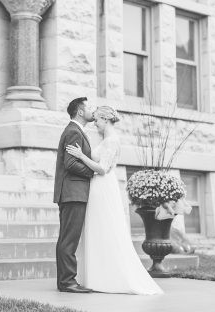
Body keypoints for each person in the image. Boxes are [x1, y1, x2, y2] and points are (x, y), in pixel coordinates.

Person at [66, 106, 163, 295]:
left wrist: (81, 156)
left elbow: (102, 168)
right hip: (98, 186)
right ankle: (97, 275)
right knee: (97, 230)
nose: (96, 125)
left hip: (103, 187)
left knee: (105, 228)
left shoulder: (111, 141)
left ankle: (108, 277)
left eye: (97, 121)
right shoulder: (107, 140)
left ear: (105, 119)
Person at [53, 97, 95, 293]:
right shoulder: (73, 131)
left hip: (73, 193)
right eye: (88, 107)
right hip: (73, 193)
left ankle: (65, 281)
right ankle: (68, 282)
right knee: (69, 239)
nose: (91, 110)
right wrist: (93, 172)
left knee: (66, 239)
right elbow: (70, 164)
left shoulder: (75, 131)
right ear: (80, 111)